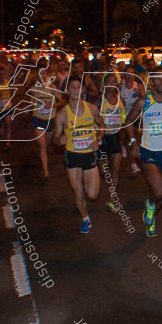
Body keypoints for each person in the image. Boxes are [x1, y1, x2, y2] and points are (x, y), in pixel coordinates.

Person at [125, 66, 162, 237]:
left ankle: (151, 216)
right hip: (148, 151)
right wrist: (133, 142)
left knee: (160, 194)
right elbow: (128, 122)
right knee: (160, 192)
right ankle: (150, 206)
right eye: (159, 79)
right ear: (152, 81)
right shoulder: (144, 102)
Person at [53, 77, 104, 234]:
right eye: (72, 87)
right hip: (72, 156)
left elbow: (102, 126)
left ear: (83, 90)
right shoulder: (62, 115)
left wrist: (99, 140)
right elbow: (55, 139)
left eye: (78, 87)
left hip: (89, 155)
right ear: (68, 91)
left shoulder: (92, 109)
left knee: (93, 194)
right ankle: (85, 219)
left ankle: (84, 208)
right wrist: (59, 140)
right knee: (78, 192)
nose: (75, 90)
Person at [98, 76, 130, 213]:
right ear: (104, 84)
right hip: (102, 138)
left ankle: (112, 199)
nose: (111, 84)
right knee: (103, 170)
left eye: (113, 82)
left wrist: (123, 134)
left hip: (115, 136)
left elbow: (122, 118)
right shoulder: (100, 100)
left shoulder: (120, 100)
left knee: (116, 168)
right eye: (108, 82)